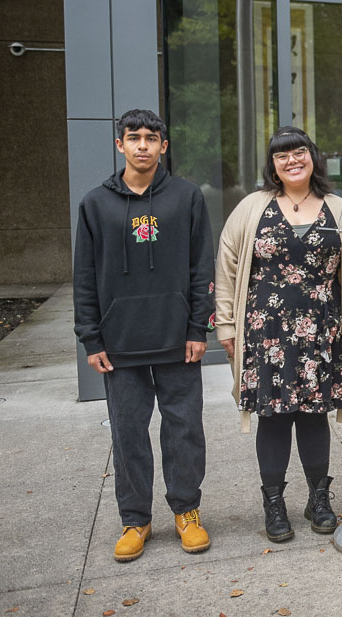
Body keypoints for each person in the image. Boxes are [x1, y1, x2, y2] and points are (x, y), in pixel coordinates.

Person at [215, 126, 342, 542]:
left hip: (319, 334)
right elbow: (228, 265)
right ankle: (274, 503)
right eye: (281, 155)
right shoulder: (252, 208)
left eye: (298, 152)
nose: (291, 160)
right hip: (266, 333)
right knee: (272, 419)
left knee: (314, 417)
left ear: (313, 156)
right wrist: (225, 323)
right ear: (272, 164)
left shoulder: (340, 210)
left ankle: (318, 498)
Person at [73, 108, 215, 562]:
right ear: (120, 144)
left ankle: (186, 512)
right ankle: (135, 519)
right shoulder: (96, 204)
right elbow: (84, 277)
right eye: (133, 137)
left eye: (151, 138)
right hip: (120, 344)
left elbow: (201, 268)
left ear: (163, 146)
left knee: (184, 430)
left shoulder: (187, 197)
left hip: (177, 339)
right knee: (128, 435)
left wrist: (198, 326)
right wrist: (91, 339)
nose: (142, 145)